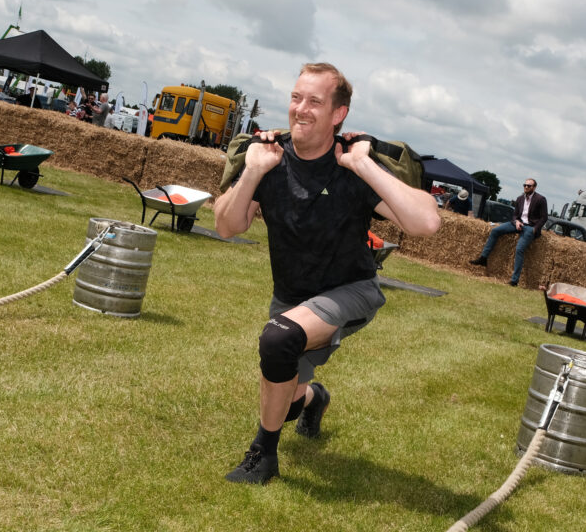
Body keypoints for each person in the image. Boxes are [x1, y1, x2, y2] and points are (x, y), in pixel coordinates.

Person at [213, 62, 440, 485]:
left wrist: (364, 166)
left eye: (315, 102)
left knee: (277, 339)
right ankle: (314, 399)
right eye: (296, 97)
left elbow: (426, 223)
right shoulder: (269, 155)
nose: (301, 109)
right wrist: (254, 170)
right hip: (292, 297)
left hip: (350, 289)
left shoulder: (351, 166)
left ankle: (262, 456)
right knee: (288, 394)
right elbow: (227, 225)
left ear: (339, 115)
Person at [470, 178, 548, 286]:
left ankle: (514, 281)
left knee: (519, 249)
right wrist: (516, 222)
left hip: (530, 227)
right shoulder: (520, 198)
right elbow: (515, 215)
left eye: (529, 186)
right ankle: (483, 258)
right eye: (524, 185)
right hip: (518, 224)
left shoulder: (541, 199)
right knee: (495, 230)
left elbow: (544, 217)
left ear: (534, 187)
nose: (526, 187)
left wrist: (535, 229)